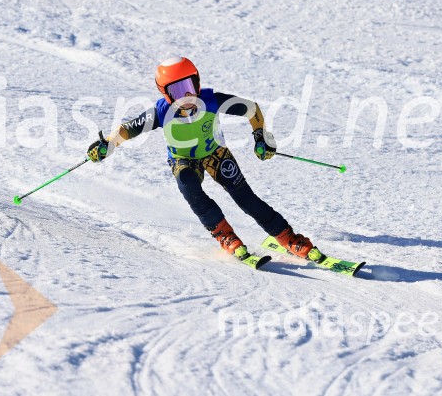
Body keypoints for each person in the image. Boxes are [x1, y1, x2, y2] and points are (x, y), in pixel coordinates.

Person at [86, 56, 324, 263]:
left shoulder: (211, 100)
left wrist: (261, 137)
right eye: (177, 91)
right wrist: (108, 145)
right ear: (165, 94)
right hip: (184, 161)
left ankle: (289, 238)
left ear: (197, 82)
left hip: (216, 155)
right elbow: (128, 130)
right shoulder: (161, 112)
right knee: (189, 187)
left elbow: (251, 108)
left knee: (245, 198)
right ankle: (224, 234)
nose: (186, 96)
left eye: (189, 86)